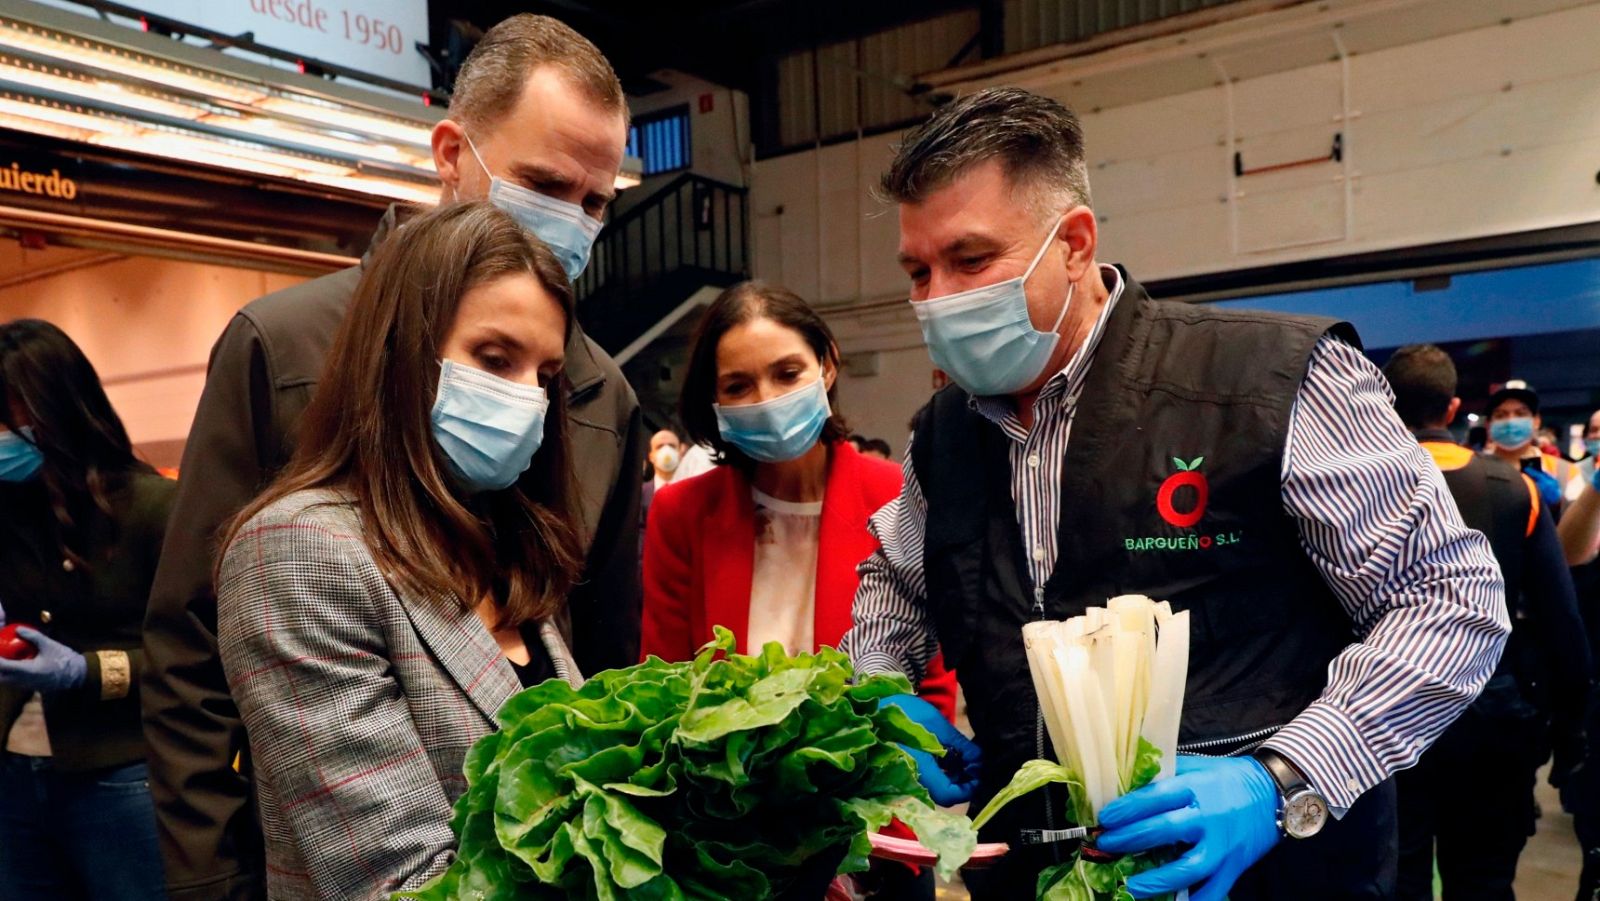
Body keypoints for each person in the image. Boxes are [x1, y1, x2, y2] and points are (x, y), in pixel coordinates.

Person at [839, 87, 1506, 901]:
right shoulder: (945, 434)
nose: (937, 299)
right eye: (918, 271)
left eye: (971, 261)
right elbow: (897, 583)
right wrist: (880, 691)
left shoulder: (1266, 382)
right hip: (1038, 877)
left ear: (1074, 244)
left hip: (1266, 876)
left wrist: (1285, 776)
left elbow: (1449, 599)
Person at [139, 16, 644, 901]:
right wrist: (216, 881)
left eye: (595, 202)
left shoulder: (601, 393)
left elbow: (599, 654)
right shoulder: (283, 347)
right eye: (542, 184)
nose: (569, 220)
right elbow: (192, 650)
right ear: (452, 154)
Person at [216, 202, 585, 899]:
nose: (527, 399)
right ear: (401, 353)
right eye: (494, 359)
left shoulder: (499, 538)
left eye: (545, 374)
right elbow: (400, 881)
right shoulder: (299, 548)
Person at [641, 281, 957, 899]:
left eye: (787, 373)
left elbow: (932, 684)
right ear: (714, 400)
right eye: (738, 386)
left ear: (827, 364)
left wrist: (882, 808)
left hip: (878, 845)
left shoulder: (896, 494)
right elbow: (665, 691)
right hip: (736, 851)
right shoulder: (682, 514)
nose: (767, 399)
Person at [1381, 344, 1591, 900]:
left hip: (1384, 719)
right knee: (1484, 881)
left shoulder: (1361, 489)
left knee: (1397, 877)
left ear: (1387, 404)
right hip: (1494, 714)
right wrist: (1571, 728)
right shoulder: (1515, 488)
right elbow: (1561, 617)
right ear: (1452, 408)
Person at [0, 319, 176, 900]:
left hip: (120, 771)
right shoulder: (10, 509)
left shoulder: (153, 507)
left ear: (57, 409)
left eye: (7, 415)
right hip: (15, 772)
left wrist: (89, 671)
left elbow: (201, 653)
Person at [1485, 381, 1583, 515]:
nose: (1510, 421)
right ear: (1489, 424)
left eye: (1520, 414)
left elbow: (1585, 521)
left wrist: (1558, 505)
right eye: (1501, 415)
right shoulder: (1470, 469)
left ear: (1536, 421)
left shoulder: (1566, 472)